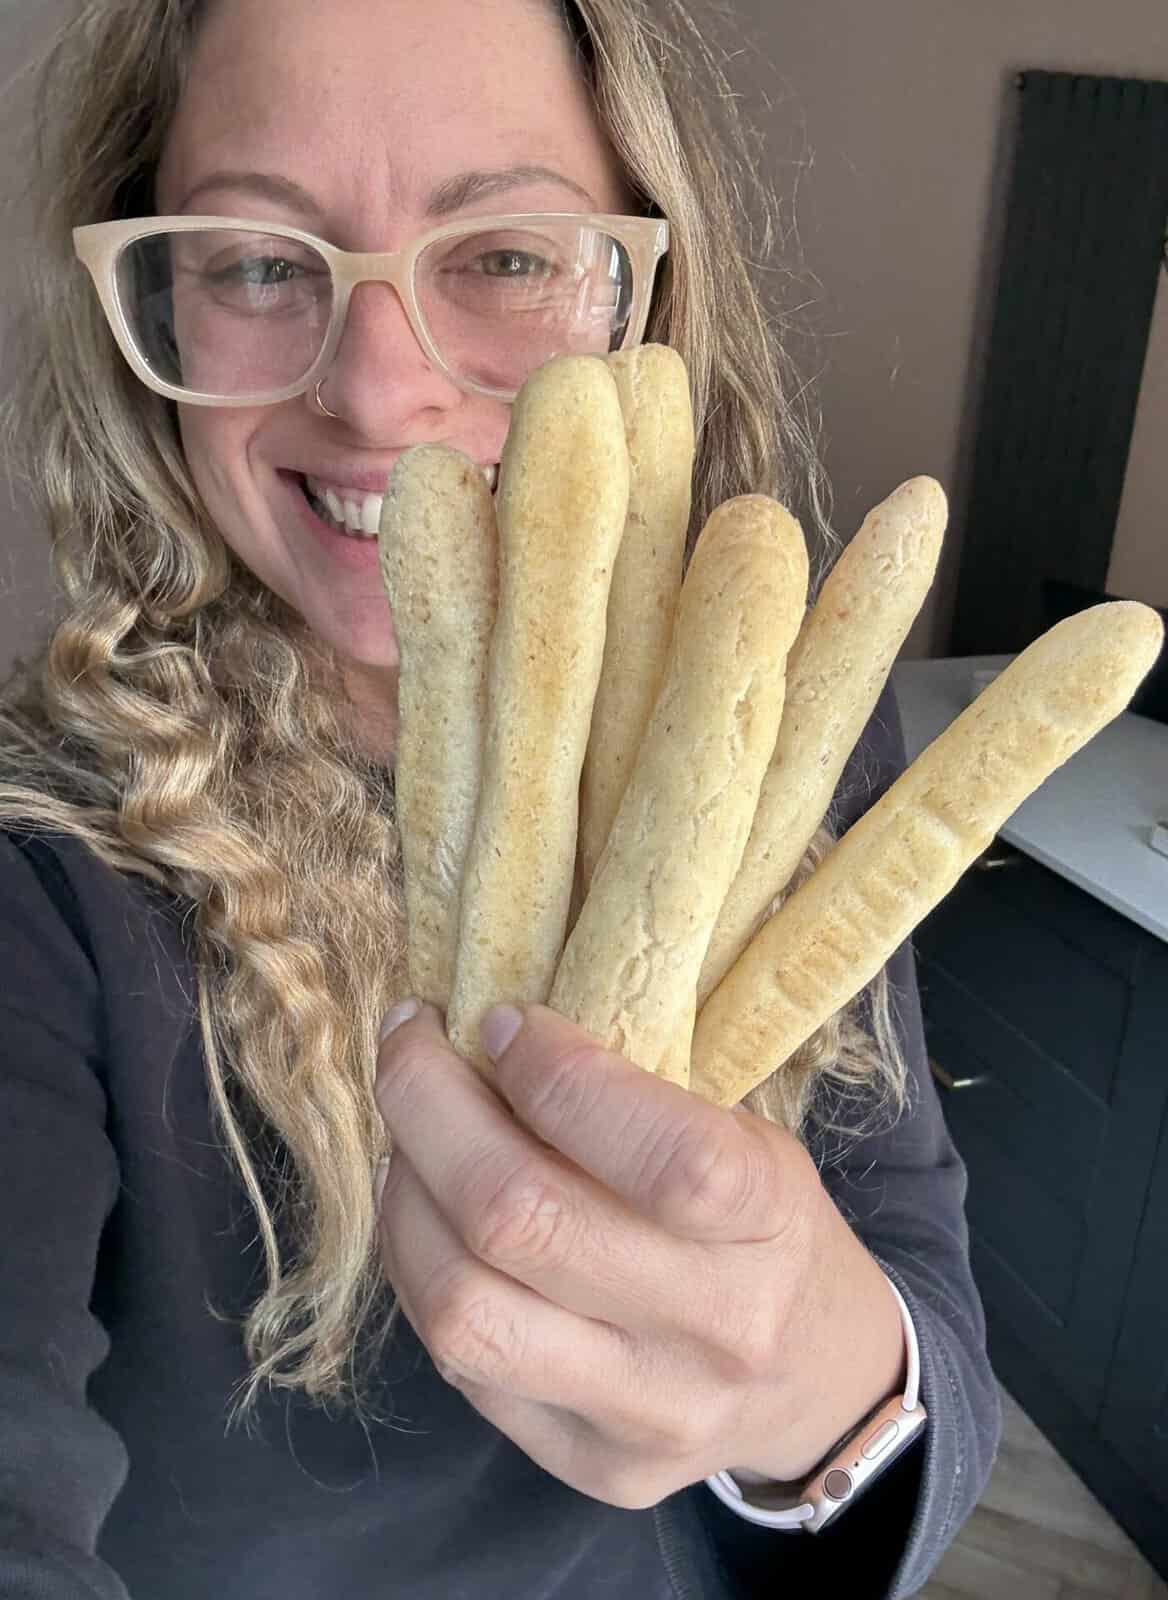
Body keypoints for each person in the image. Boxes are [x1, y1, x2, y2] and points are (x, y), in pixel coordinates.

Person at [0, 0, 1001, 1595]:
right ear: (159, 314)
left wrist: (822, 1398)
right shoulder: (43, 856)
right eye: (259, 263)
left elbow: (916, 1289)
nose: (383, 393)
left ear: (641, 294)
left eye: (509, 254)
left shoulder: (773, 733)